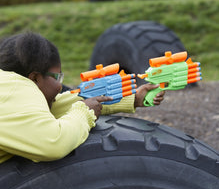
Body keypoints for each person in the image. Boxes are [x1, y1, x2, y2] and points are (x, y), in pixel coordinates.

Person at [0, 32, 164, 164]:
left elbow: (49, 110)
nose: (60, 86)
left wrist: (131, 98)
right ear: (35, 78)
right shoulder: (18, 87)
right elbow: (54, 143)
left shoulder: (7, 88)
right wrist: (84, 113)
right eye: (58, 77)